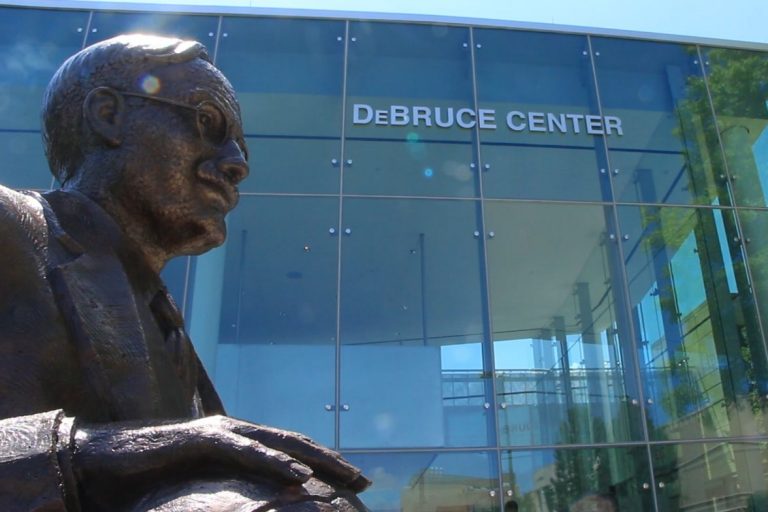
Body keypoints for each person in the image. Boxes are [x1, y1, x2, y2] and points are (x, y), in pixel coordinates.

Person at [0, 34, 368, 511]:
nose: (237, 165)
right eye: (207, 122)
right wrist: (96, 452)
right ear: (109, 115)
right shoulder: (12, 230)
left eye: (241, 148)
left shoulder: (165, 328)